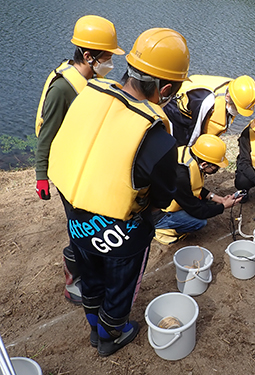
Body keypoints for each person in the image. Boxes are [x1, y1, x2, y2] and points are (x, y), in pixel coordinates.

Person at [47, 27, 190, 356]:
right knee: (121, 285)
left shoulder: (89, 94)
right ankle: (113, 333)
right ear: (166, 88)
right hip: (123, 231)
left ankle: (95, 331)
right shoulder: (157, 136)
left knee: (91, 279)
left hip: (77, 219)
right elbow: (162, 197)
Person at [34, 15, 125, 305]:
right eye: (107, 57)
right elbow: (46, 135)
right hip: (66, 170)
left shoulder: (90, 80)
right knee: (79, 226)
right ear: (88, 56)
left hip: (83, 166)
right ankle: (74, 283)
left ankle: (83, 270)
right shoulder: (63, 88)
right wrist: (41, 175)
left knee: (87, 225)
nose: (110, 62)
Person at [154, 134, 241, 244]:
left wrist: (219, 199)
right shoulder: (180, 176)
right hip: (157, 214)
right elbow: (198, 211)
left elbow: (193, 185)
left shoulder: (190, 156)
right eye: (216, 167)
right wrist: (224, 206)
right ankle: (160, 229)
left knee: (208, 205)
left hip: (177, 197)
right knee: (199, 222)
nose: (217, 170)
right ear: (204, 164)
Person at [163, 74, 255, 146]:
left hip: (197, 107)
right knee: (178, 146)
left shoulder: (237, 90)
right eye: (236, 108)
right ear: (228, 97)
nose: (237, 112)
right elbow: (195, 131)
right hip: (177, 111)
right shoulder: (207, 101)